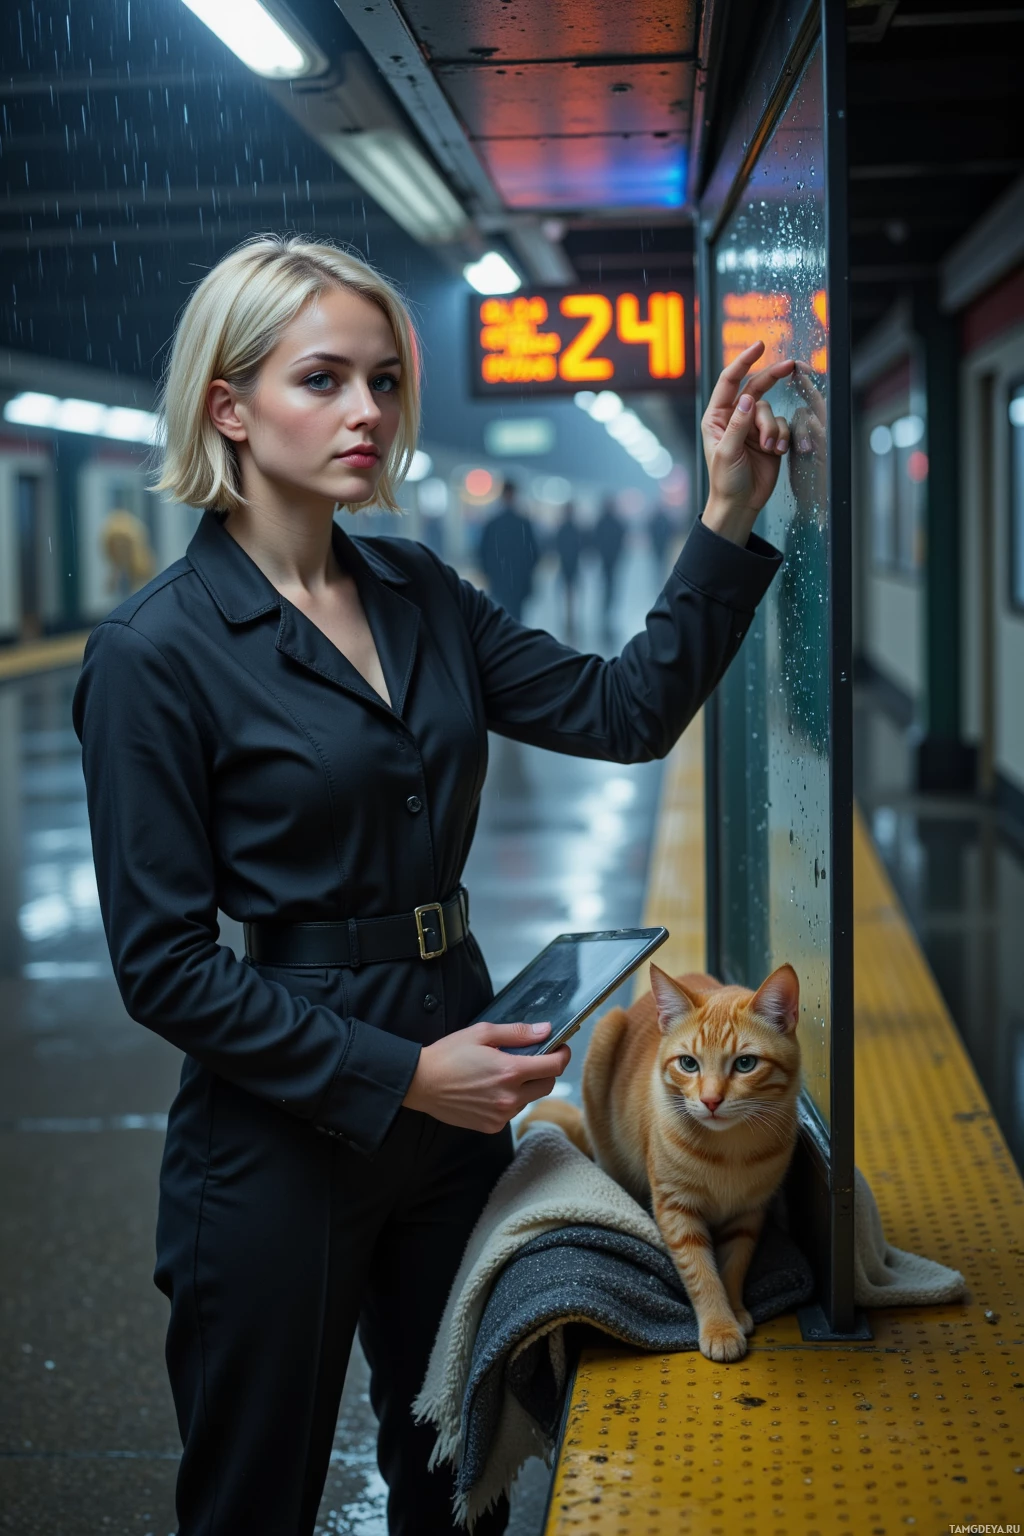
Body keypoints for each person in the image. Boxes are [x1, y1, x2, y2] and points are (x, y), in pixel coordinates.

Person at [71, 233, 792, 1536]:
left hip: (456, 1096)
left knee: (461, 1479)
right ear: (227, 408)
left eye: (387, 380)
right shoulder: (155, 652)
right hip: (280, 1129)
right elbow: (163, 964)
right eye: (325, 380)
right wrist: (401, 1075)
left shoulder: (418, 594)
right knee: (254, 1498)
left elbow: (625, 711)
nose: (370, 413)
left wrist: (726, 515)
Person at [477, 477, 539, 621]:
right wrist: (526, 571)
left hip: (499, 579)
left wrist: (490, 573)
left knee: (501, 617)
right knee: (517, 617)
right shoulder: (523, 523)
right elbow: (534, 552)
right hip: (518, 579)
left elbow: (483, 552)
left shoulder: (493, 524)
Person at [591, 495, 626, 640]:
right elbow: (621, 540)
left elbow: (596, 540)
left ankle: (605, 617)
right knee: (610, 591)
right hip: (612, 562)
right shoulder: (616, 523)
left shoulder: (601, 522)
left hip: (606, 562)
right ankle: (607, 618)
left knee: (607, 590)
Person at [553, 500, 583, 639]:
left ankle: (569, 620)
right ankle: (570, 620)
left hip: (567, 565)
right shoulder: (574, 528)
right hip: (571, 565)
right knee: (570, 594)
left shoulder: (563, 528)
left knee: (568, 594)